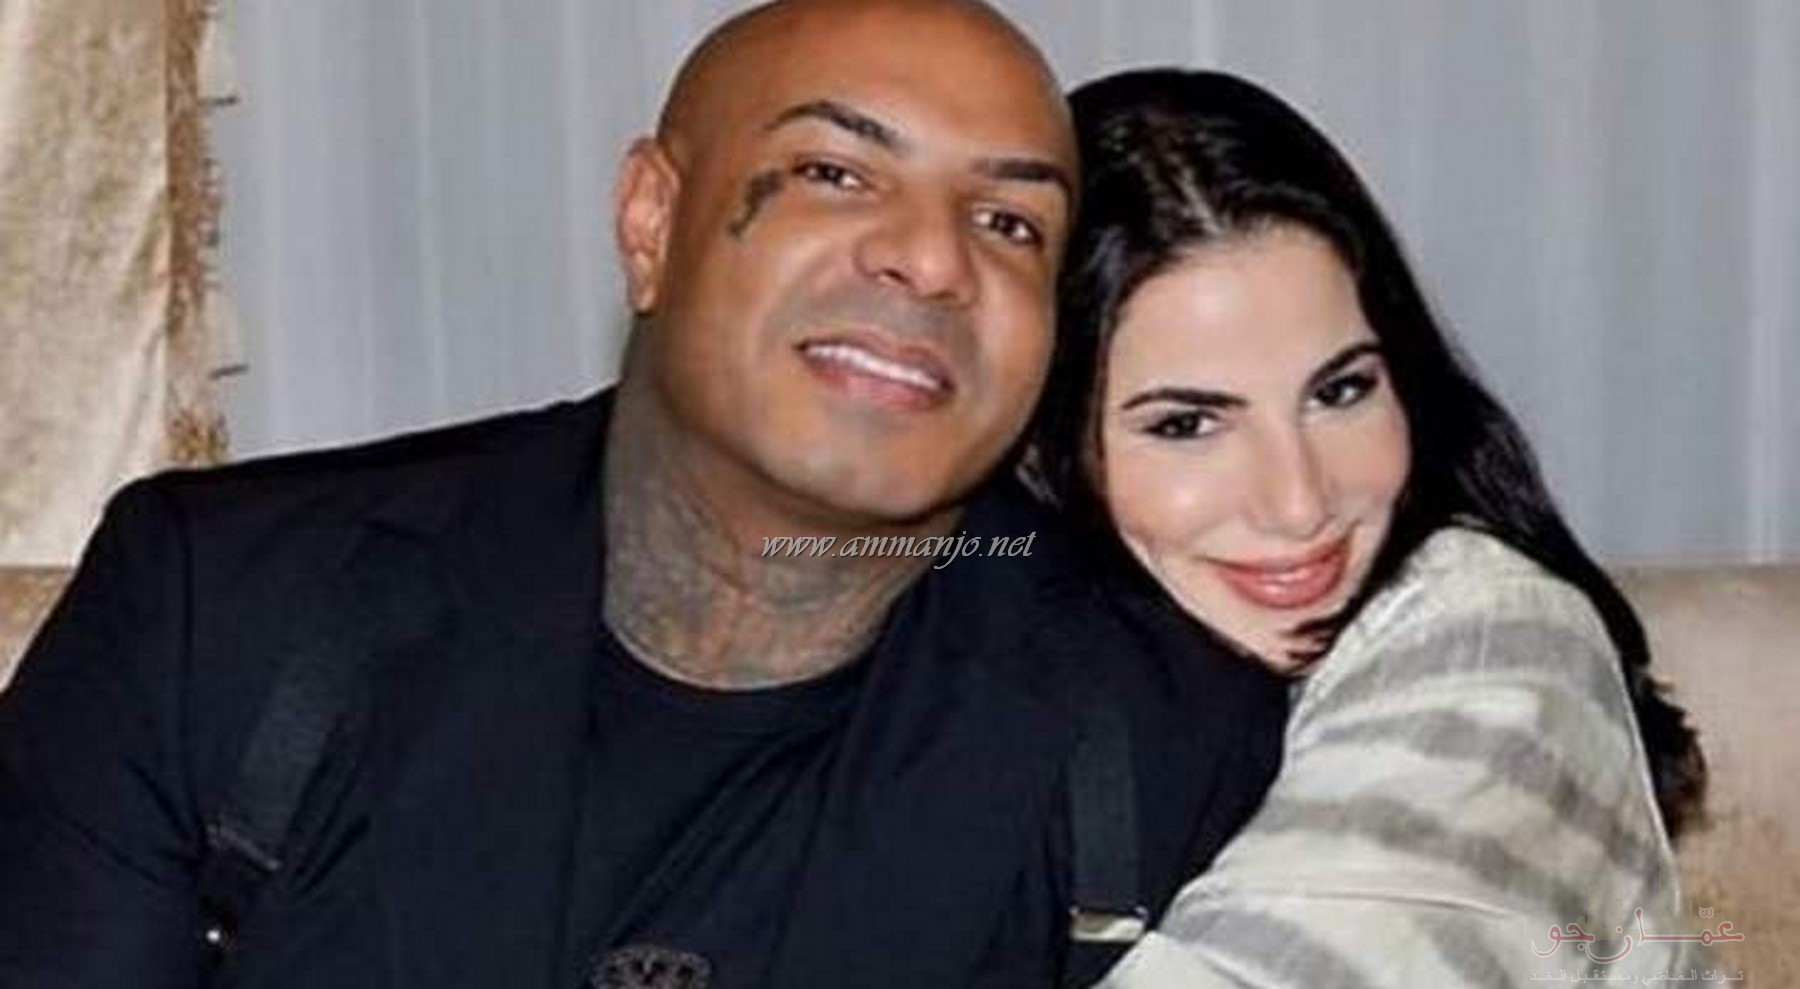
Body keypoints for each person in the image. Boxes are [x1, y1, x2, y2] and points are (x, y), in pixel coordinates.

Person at [0, 6, 1288, 988]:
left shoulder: (1164, 735)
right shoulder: (224, 614)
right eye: (837, 173)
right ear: (651, 221)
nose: (931, 259)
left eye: (1010, 224)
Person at [1025, 69, 1709, 986]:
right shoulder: (1038, 643)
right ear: (1044, 448)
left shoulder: (1488, 630)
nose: (1299, 501)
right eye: (1188, 424)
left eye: (1340, 390)